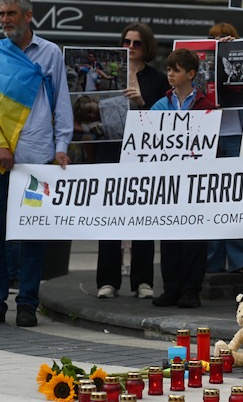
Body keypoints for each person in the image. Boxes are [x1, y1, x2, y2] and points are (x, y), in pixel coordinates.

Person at [0, 0, 73, 327]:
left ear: (28, 16)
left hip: (36, 159)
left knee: (33, 234)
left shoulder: (50, 53)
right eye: (1, 14)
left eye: (10, 14)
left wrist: (62, 145)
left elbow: (60, 103)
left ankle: (27, 303)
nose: (5, 20)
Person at [94, 22, 170, 300]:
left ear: (146, 47)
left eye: (136, 43)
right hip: (110, 149)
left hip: (143, 153)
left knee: (143, 217)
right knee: (109, 217)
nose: (130, 47)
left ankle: (142, 281)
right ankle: (107, 281)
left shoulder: (158, 79)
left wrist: (141, 102)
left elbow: (164, 122)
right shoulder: (107, 74)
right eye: (126, 42)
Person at [150, 48, 216, 308]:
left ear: (190, 74)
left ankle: (191, 290)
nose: (170, 74)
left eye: (175, 70)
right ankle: (171, 288)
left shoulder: (206, 107)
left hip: (196, 183)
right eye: (168, 70)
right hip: (169, 182)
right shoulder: (160, 105)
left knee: (194, 239)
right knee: (169, 237)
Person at [205, 22, 243, 275]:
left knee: (241, 197)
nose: (220, 40)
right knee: (209, 201)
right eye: (213, 38)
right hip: (207, 137)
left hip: (237, 135)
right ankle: (211, 261)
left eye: (225, 37)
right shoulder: (203, 64)